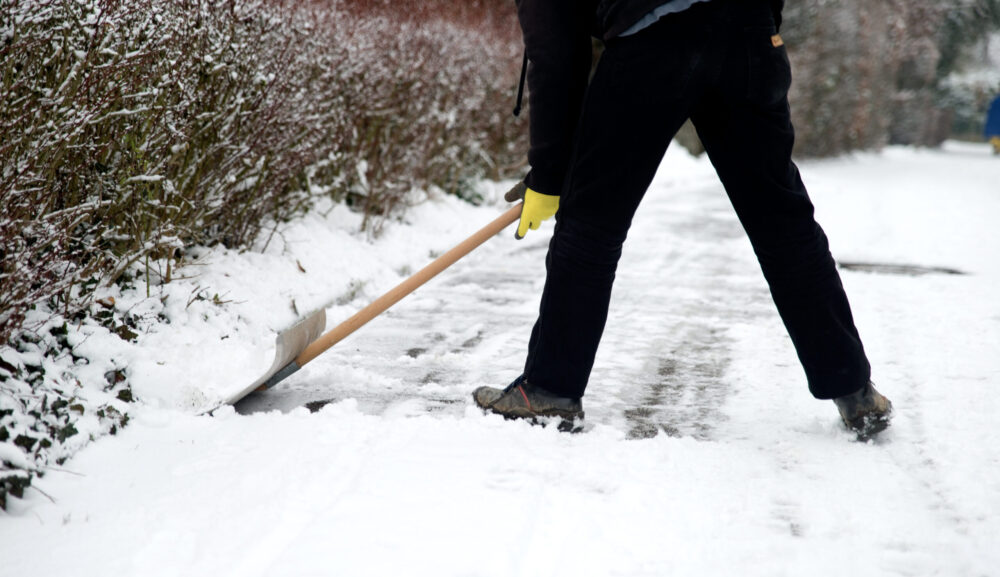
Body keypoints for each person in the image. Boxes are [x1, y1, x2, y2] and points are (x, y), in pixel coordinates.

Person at [472, 0, 893, 437]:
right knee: (784, 224)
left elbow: (557, 52)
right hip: (749, 37)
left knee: (591, 224)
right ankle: (855, 390)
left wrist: (551, 172)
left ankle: (549, 390)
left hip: (653, 41)